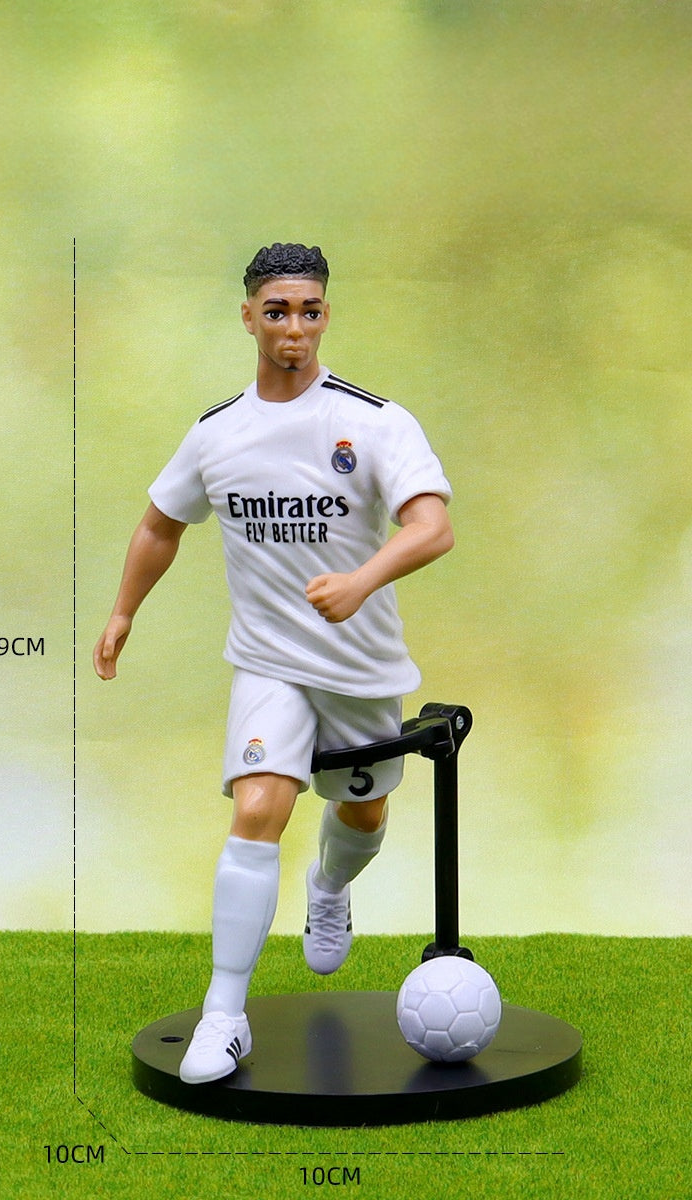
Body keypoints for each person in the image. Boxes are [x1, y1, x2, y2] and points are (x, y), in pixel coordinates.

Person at [94, 243, 453, 1084]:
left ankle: (329, 888)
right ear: (249, 317)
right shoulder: (217, 434)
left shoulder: (375, 422)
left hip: (360, 668)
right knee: (258, 809)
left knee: (361, 814)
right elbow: (159, 525)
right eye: (278, 311)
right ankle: (225, 1014)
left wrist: (361, 582)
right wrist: (123, 611)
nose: (294, 327)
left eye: (310, 311)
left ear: (326, 317)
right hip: (267, 664)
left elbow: (432, 527)